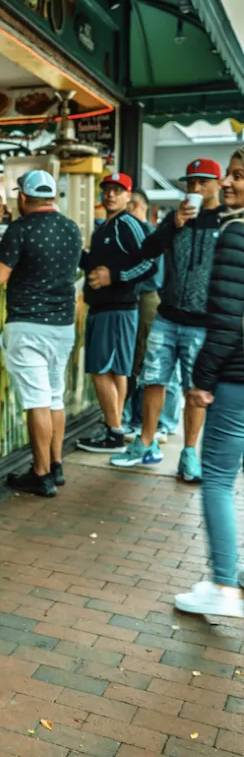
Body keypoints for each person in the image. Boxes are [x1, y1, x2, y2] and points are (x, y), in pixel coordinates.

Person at [112, 159, 223, 479]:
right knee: (153, 381)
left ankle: (189, 453)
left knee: (194, 390)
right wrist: (173, 223)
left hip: (203, 322)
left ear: (217, 184)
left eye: (203, 183)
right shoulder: (177, 219)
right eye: (191, 183)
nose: (196, 189)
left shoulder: (227, 220)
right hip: (167, 315)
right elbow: (147, 251)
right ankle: (145, 444)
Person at [174, 149, 244, 618]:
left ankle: (223, 586)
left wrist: (202, 378)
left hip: (236, 377)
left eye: (238, 176)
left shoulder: (235, 234)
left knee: (217, 480)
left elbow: (227, 320)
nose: (230, 184)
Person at [0, 170, 82, 497]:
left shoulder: (21, 229)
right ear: (52, 196)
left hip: (28, 326)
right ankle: (55, 465)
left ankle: (40, 474)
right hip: (63, 326)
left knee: (37, 402)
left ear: (23, 198)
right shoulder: (72, 229)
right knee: (54, 397)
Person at [76, 173, 157, 453]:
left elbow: (149, 264)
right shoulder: (105, 227)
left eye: (117, 190)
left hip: (116, 309)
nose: (110, 195)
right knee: (116, 372)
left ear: (128, 195)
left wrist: (115, 277)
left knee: (101, 370)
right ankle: (116, 426)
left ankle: (114, 432)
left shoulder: (127, 223)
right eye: (107, 189)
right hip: (109, 308)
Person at [119, 188, 180, 447]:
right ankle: (144, 421)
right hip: (142, 300)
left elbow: (151, 271)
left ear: (134, 205)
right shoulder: (142, 231)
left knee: (149, 363)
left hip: (148, 299)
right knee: (140, 362)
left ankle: (160, 423)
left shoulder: (145, 231)